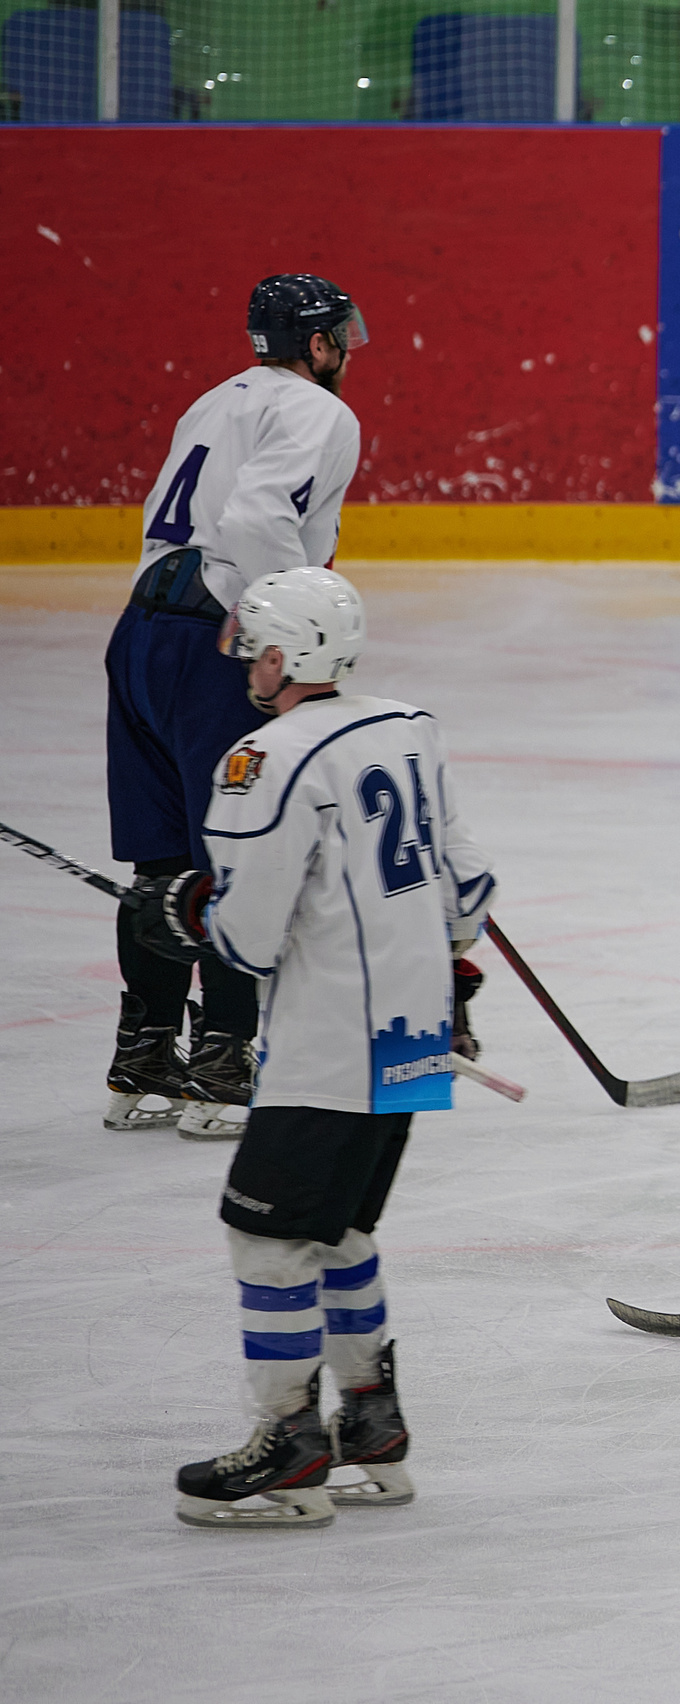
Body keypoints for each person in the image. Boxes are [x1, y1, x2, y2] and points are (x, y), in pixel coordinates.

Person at [130, 568, 497, 1529]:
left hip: (328, 1043)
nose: (246, 663)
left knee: (266, 1234)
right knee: (337, 1230)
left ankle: (288, 1445)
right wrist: (450, 976)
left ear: (282, 655)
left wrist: (188, 911)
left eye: (253, 647)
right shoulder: (408, 726)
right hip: (412, 1035)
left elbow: (248, 942)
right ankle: (370, 1424)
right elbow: (467, 889)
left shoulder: (264, 758)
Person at [105, 274, 366, 1139]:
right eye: (340, 336)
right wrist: (293, 639)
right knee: (235, 851)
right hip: (218, 642)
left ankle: (144, 1060)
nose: (348, 351)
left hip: (141, 633)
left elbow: (174, 519)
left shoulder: (216, 399)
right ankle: (221, 1063)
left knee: (161, 863)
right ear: (316, 345)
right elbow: (256, 519)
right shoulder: (322, 413)